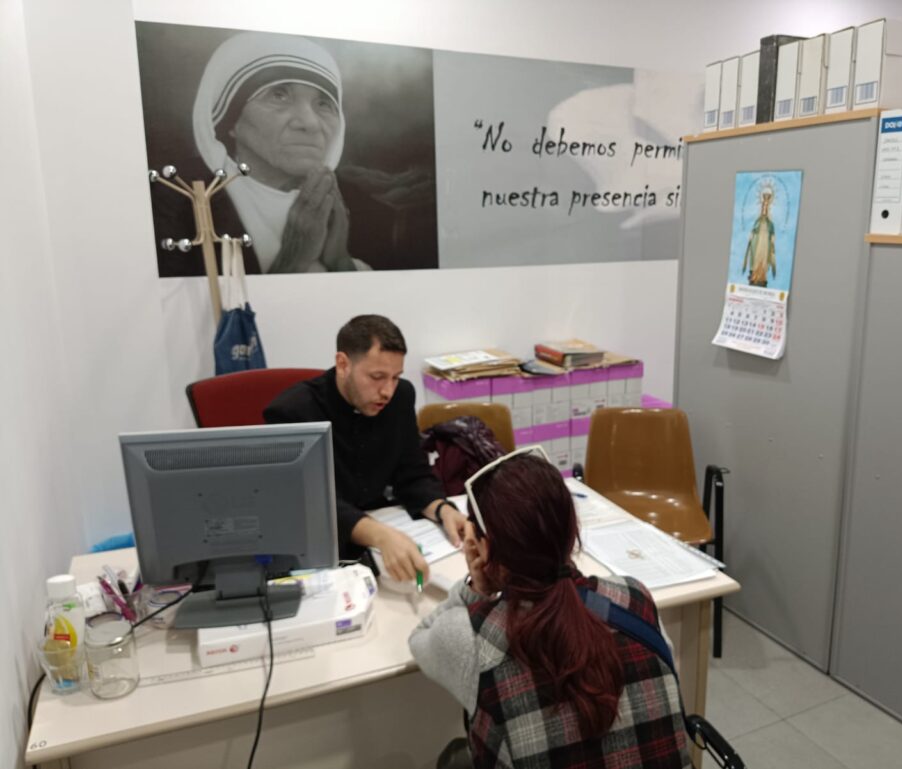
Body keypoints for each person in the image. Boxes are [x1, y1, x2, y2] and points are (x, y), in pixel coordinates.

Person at [409, 447, 691, 768]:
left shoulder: (473, 640)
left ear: (483, 547)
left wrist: (477, 588)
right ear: (570, 530)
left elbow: (420, 639)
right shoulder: (634, 597)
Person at [263, 314, 463, 581]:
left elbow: (412, 474)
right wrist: (378, 534)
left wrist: (443, 509)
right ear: (343, 364)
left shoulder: (401, 397)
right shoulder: (293, 411)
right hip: (325, 552)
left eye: (395, 377)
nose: (388, 391)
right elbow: (308, 502)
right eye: (378, 377)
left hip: (382, 536)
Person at [190, 31, 370, 274]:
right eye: (279, 96)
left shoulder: (363, 206)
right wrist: (293, 258)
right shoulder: (182, 204)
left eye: (323, 104)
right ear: (230, 122)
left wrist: (339, 261)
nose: (310, 123)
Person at [740, 186, 776, 288]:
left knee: (764, 259)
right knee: (756, 258)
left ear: (768, 208)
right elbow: (753, 231)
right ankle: (755, 277)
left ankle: (762, 278)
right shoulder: (757, 221)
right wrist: (752, 236)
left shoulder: (770, 223)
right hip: (758, 243)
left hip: (765, 245)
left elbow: (772, 234)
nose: (764, 209)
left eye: (766, 207)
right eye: (762, 206)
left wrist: (772, 240)